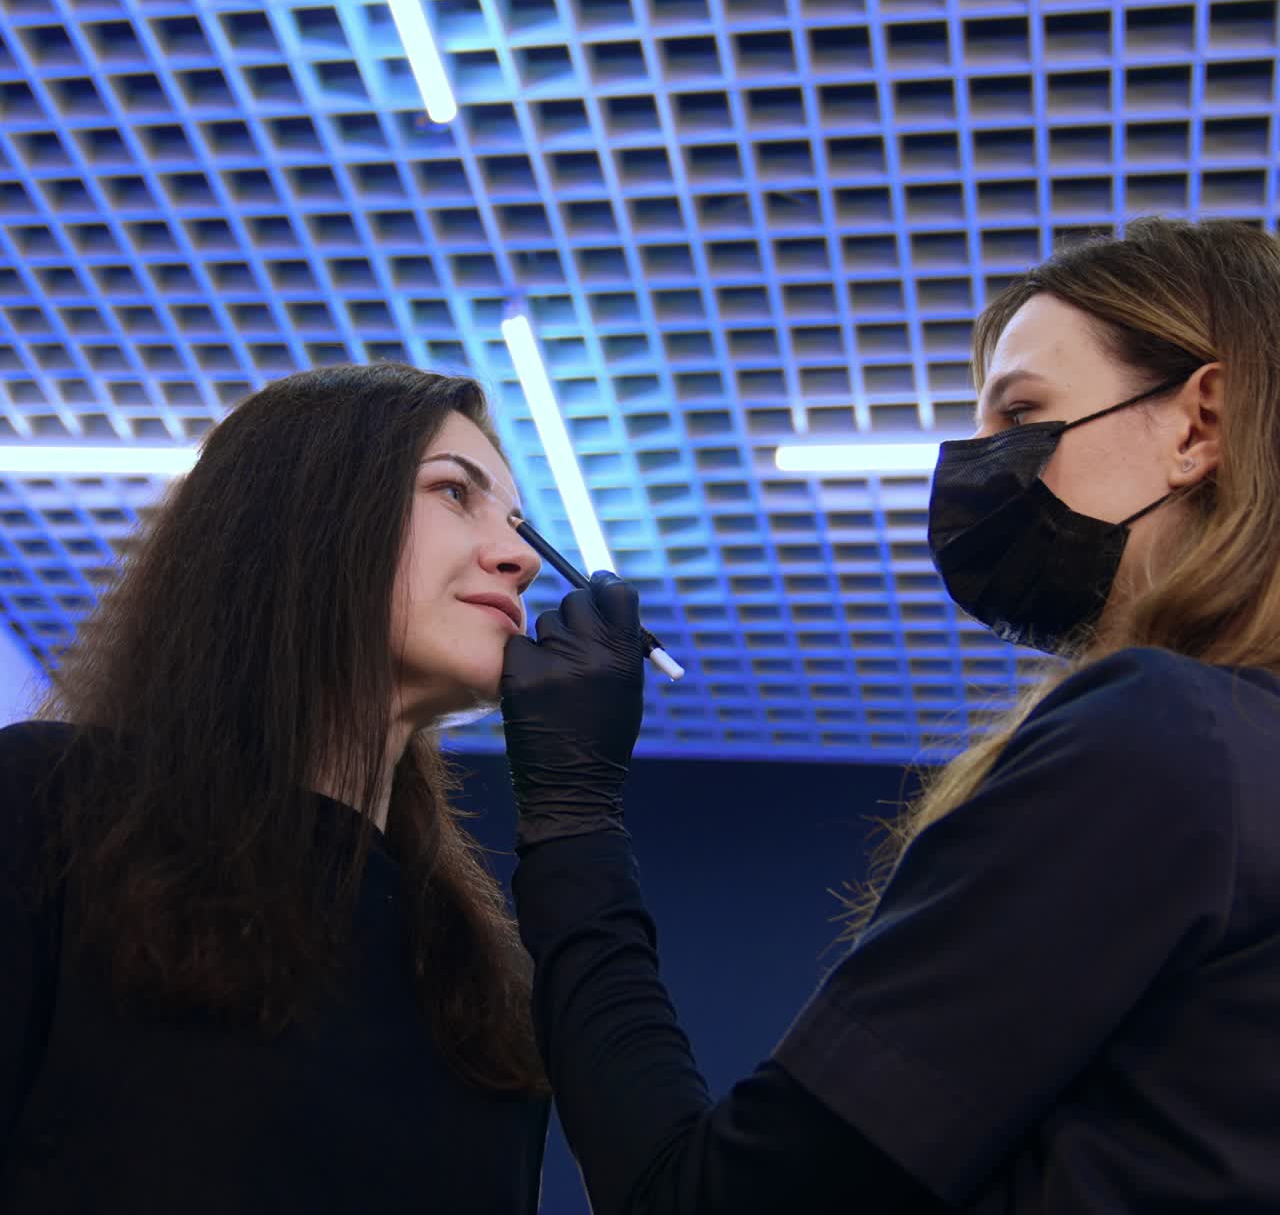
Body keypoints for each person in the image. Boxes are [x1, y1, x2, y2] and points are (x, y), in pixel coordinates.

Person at [499, 217, 1280, 1212]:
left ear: (1195, 423)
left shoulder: (1161, 737)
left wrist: (571, 814)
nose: (973, 466)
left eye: (1023, 412)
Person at [0, 365, 550, 1212]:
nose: (519, 558)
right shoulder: (48, 805)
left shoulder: (475, 980)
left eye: (517, 524)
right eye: (452, 492)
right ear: (311, 514)